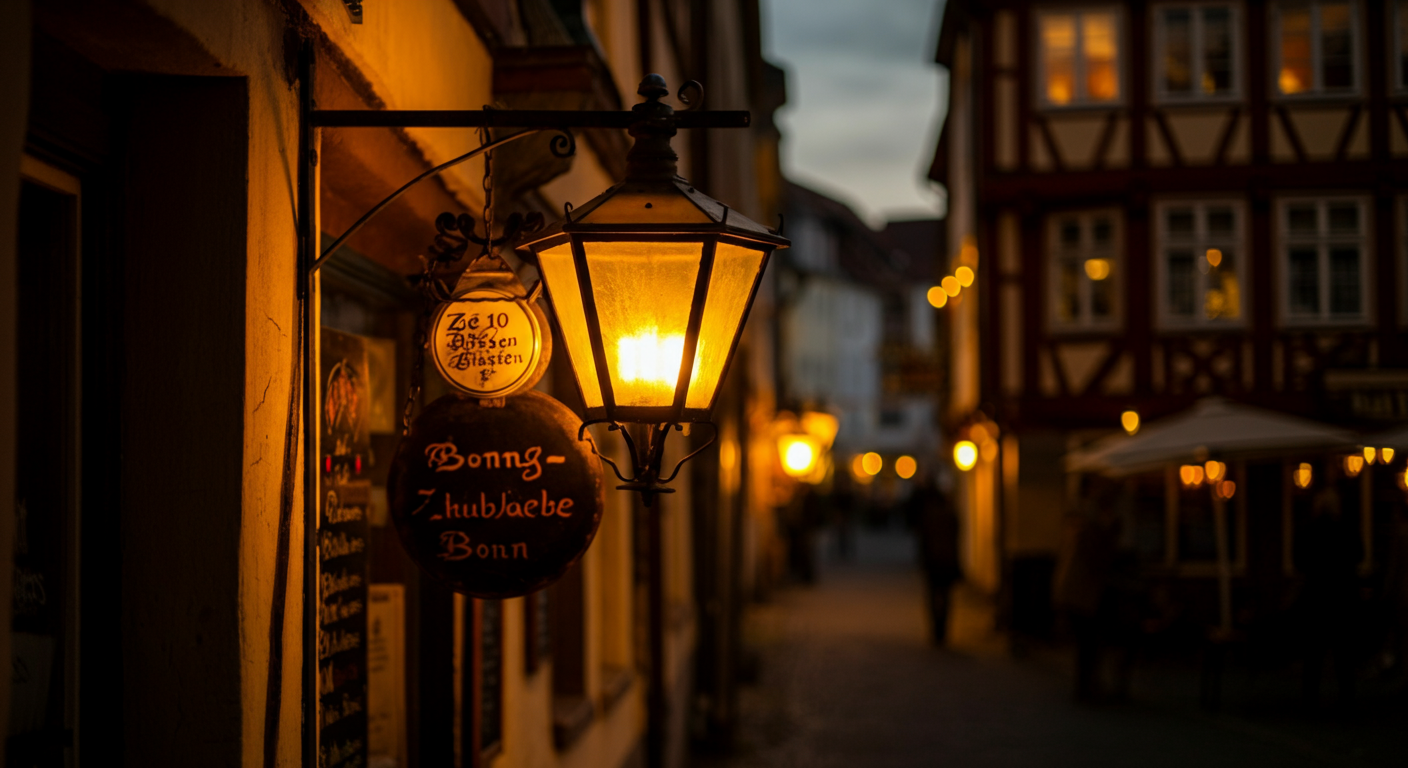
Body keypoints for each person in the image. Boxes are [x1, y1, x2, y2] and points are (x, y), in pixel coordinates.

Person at [1295, 470, 1363, 709]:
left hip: (1317, 599)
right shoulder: (1345, 530)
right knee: (1343, 655)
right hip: (1342, 599)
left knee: (1314, 654)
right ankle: (1346, 700)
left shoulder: (1310, 530)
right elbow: (1359, 554)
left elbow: (1299, 561)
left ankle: (1310, 701)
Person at [1053, 477, 1120, 703]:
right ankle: (1086, 688)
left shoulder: (1080, 520)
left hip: (1074, 590)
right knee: (1089, 643)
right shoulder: (1092, 524)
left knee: (1086, 643)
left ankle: (1086, 686)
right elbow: (1097, 559)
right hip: (1084, 592)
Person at [911, 476, 961, 646]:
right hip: (947, 562)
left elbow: (923, 541)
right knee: (946, 596)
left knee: (933, 595)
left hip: (932, 562)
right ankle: (943, 629)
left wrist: (922, 560)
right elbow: (957, 539)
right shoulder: (951, 516)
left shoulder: (928, 517)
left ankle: (936, 629)